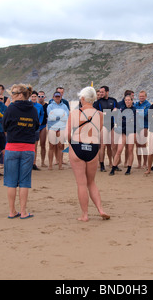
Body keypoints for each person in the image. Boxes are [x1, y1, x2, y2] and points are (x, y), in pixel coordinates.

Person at [67, 86, 110, 222]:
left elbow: (67, 134)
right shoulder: (99, 114)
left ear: (84, 98)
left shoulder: (75, 113)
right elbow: (99, 132)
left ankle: (85, 215)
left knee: (81, 183)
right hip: (92, 148)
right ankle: (101, 209)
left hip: (78, 146)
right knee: (91, 182)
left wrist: (71, 145)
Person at [2, 84, 39, 219]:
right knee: (24, 181)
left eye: (12, 93)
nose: (11, 95)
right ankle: (23, 212)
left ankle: (12, 211)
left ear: (19, 95)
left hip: (12, 147)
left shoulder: (11, 108)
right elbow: (36, 125)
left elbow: (4, 124)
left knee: (11, 181)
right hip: (28, 148)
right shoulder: (33, 109)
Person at [110, 95, 136, 175]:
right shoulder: (121, 109)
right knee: (119, 150)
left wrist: (125, 121)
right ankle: (113, 168)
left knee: (130, 150)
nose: (127, 102)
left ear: (132, 101)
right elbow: (118, 121)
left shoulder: (135, 110)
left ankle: (129, 168)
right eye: (126, 100)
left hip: (132, 131)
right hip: (123, 132)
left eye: (129, 100)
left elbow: (135, 122)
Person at [93, 86, 118, 172]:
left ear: (107, 92)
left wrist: (116, 110)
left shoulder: (113, 100)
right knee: (102, 146)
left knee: (114, 146)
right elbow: (94, 113)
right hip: (103, 125)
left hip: (112, 125)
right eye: (100, 92)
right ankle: (102, 165)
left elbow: (117, 110)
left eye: (102, 92)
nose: (101, 93)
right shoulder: (98, 102)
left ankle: (115, 165)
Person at [47, 91, 69, 170]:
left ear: (60, 97)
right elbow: (50, 116)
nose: (57, 98)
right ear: (53, 97)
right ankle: (50, 165)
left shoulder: (64, 106)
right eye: (56, 96)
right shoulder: (50, 106)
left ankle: (60, 164)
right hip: (52, 127)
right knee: (51, 146)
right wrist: (60, 116)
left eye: (58, 96)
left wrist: (56, 116)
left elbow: (66, 116)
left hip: (61, 128)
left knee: (61, 146)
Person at [134, 90, 151, 169]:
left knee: (143, 144)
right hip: (136, 126)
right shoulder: (136, 104)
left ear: (146, 96)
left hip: (144, 126)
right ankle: (139, 163)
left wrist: (137, 113)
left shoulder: (148, 105)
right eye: (140, 96)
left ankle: (145, 163)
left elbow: (144, 114)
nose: (141, 97)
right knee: (137, 145)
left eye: (143, 96)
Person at [31, 91, 44, 170]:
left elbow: (42, 114)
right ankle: (28, 163)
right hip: (28, 128)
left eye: (35, 96)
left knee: (35, 147)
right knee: (28, 146)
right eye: (32, 96)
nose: (33, 98)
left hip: (36, 128)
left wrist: (40, 121)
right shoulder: (28, 105)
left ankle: (34, 163)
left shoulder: (39, 106)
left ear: (37, 97)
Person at [37, 90, 48, 167]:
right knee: (34, 145)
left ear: (44, 97)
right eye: (39, 96)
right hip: (35, 126)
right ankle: (33, 162)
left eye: (42, 96)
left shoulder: (47, 106)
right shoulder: (34, 105)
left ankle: (43, 162)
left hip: (43, 125)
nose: (40, 98)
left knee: (43, 144)